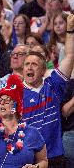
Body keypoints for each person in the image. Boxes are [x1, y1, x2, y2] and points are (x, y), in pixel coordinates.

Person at [22, 14, 74, 167]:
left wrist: (70, 30)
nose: (30, 67)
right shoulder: (16, 93)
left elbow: (70, 56)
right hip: (29, 161)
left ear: (44, 69)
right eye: (27, 64)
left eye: (34, 64)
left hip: (55, 158)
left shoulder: (52, 85)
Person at [0, 74, 48, 168]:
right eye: (0, 101)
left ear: (16, 105)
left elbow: (43, 161)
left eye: (7, 100)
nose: (2, 103)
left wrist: (36, 167)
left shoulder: (32, 132)